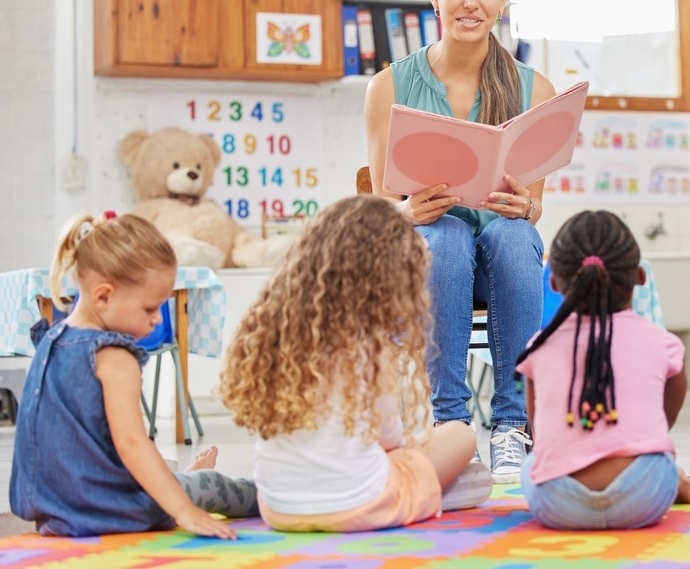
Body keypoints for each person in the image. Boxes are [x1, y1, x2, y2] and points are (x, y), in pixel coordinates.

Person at [364, 0, 557, 482]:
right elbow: (381, 211)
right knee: (445, 235)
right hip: (426, 260)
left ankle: (512, 426)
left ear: (503, 0)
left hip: (504, 262)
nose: (472, 1)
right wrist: (407, 212)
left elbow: (533, 206)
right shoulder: (389, 86)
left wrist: (525, 207)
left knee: (513, 235)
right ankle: (451, 427)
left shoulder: (532, 87)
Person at [218, 195, 492, 533]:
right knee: (461, 435)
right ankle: (434, 494)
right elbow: (388, 437)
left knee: (404, 454)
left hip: (278, 508)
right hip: (360, 505)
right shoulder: (366, 341)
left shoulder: (276, 331)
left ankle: (429, 490)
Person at [10, 212, 258, 538]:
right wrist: (184, 512)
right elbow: (131, 445)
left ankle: (180, 477)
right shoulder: (113, 357)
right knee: (215, 487)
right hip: (109, 510)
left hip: (51, 507)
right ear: (104, 296)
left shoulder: (48, 341)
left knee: (165, 467)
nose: (157, 320)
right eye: (149, 308)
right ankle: (277, 496)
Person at [514, 210, 690, 530]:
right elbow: (662, 423)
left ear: (555, 282)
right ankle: (677, 481)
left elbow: (541, 435)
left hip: (558, 504)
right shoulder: (661, 342)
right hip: (644, 497)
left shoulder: (539, 346)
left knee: (531, 463)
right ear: (640, 277)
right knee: (661, 457)